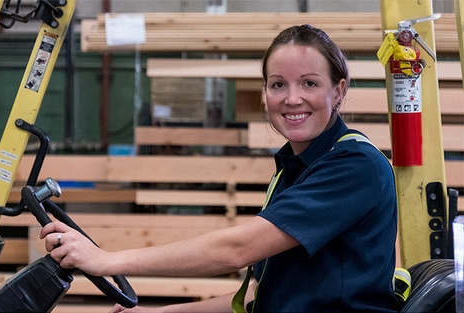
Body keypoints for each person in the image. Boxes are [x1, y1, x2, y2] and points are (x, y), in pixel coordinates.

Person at [40, 24, 399, 312]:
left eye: (309, 83)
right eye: (278, 85)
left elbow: (235, 250)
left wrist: (106, 260)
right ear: (264, 93)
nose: (292, 98)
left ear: (338, 91)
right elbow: (258, 297)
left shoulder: (354, 165)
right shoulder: (293, 169)